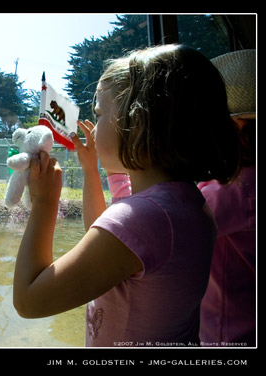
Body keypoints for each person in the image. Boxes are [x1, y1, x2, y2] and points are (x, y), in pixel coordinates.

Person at [12, 44, 241, 347]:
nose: (92, 128)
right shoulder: (184, 203)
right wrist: (91, 169)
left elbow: (29, 300)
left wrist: (44, 204)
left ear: (138, 122)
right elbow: (105, 236)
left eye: (100, 113)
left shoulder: (147, 218)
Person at [198, 49, 256, 347]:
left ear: (237, 127)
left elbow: (162, 227)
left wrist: (120, 174)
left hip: (226, 340)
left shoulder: (232, 193)